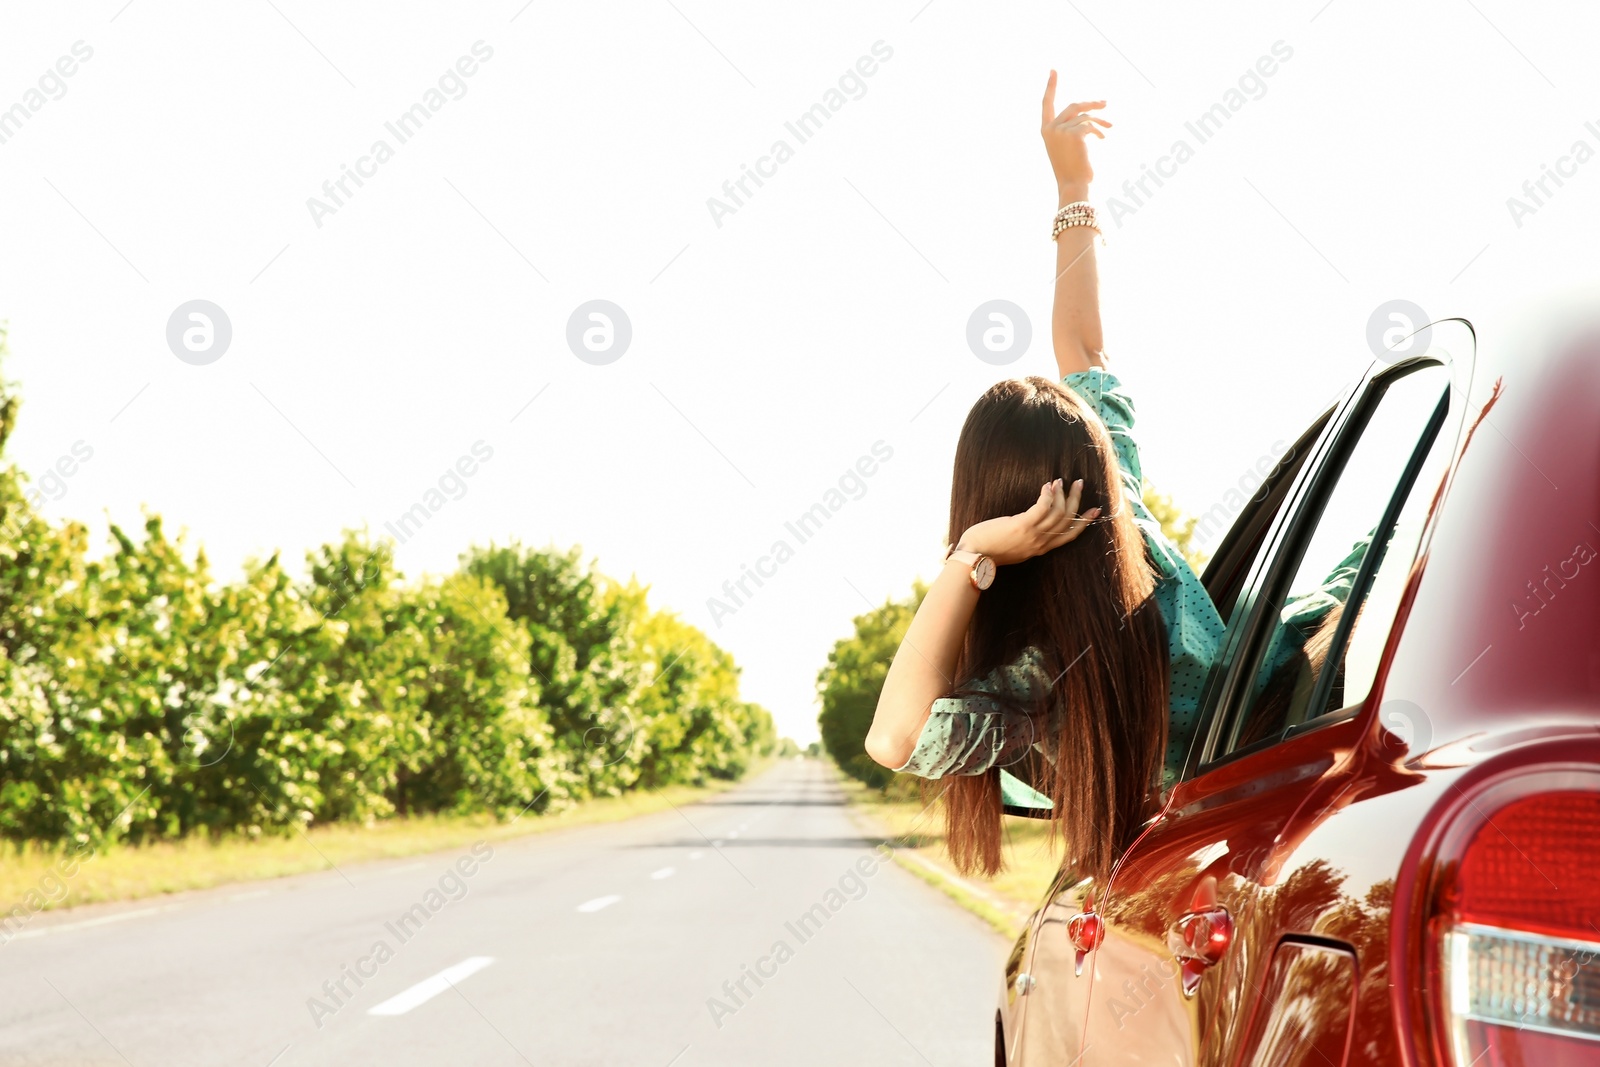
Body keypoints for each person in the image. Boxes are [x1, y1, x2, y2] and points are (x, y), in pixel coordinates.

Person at [863, 72, 1228, 882]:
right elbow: (1086, 351)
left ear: (986, 500)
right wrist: (1074, 185)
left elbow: (893, 739)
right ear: (1093, 462)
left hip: (1183, 874)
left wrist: (971, 556)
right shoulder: (1118, 507)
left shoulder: (1037, 679)